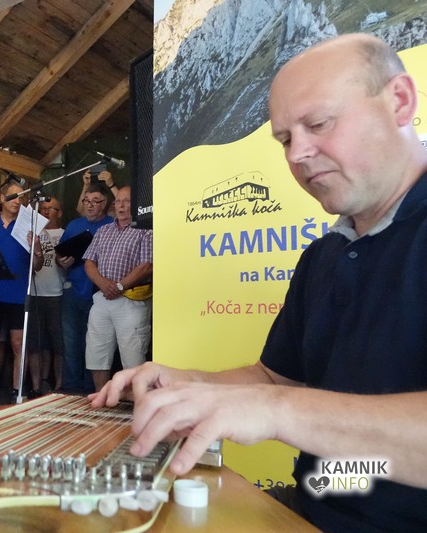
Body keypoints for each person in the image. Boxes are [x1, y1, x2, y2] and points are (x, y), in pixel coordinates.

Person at [91, 33, 427, 531]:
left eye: (319, 123)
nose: (299, 154)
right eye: (285, 139)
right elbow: (275, 377)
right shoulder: (323, 256)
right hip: (316, 504)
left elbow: (274, 398)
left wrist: (275, 410)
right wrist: (182, 382)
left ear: (399, 100)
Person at [0, 183, 43, 406]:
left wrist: (37, 248)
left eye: (21, 198)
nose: (17, 201)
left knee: (18, 344)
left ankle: (17, 391)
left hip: (18, 292)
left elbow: (37, 266)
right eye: (13, 197)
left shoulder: (28, 226)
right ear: (2, 198)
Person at [83, 185, 152, 391]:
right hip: (102, 298)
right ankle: (102, 398)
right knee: (97, 354)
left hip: (131, 300)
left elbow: (147, 266)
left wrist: (121, 286)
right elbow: (89, 262)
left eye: (127, 201)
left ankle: (137, 403)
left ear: (137, 205)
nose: (121, 205)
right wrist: (102, 283)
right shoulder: (103, 230)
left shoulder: (146, 230)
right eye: (118, 201)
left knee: (133, 358)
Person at [56, 182, 113, 392]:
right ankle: (71, 388)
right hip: (72, 290)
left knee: (94, 344)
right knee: (70, 342)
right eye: (86, 201)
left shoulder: (112, 226)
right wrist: (61, 261)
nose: (89, 205)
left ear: (105, 203)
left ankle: (91, 389)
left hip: (99, 292)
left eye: (95, 201)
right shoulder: (74, 225)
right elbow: (59, 255)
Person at [26, 196, 65, 395]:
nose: (46, 212)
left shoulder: (65, 234)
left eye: (51, 208)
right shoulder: (32, 234)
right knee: (35, 344)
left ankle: (58, 385)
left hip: (58, 294)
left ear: (60, 213)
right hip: (34, 293)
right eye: (42, 209)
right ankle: (36, 386)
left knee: (57, 344)